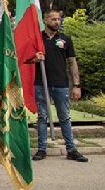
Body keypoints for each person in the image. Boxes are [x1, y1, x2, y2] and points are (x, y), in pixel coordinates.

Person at [31, 9, 88, 162]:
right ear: (45, 20)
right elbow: (26, 60)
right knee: (42, 117)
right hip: (41, 83)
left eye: (58, 19)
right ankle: (42, 149)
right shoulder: (37, 39)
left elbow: (72, 63)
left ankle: (71, 149)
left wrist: (76, 85)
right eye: (54, 19)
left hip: (61, 84)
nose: (57, 22)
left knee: (64, 117)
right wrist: (34, 58)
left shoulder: (65, 39)